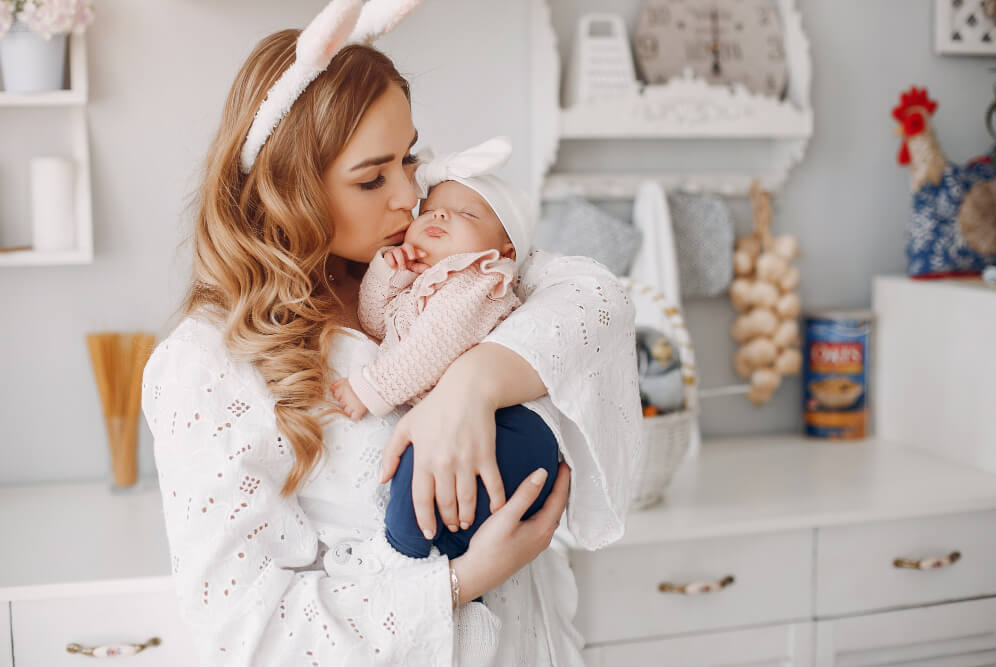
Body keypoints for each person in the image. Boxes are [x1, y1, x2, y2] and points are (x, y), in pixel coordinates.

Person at [141, 1, 641, 665]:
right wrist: (461, 580)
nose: (410, 193)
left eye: (408, 158)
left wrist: (470, 383)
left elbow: (600, 298)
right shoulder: (206, 366)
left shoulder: (426, 262)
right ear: (291, 188)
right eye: (372, 177)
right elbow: (247, 636)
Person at [331, 139, 560, 631]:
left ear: (504, 251)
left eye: (466, 215)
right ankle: (437, 575)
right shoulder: (427, 281)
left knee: (419, 474)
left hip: (513, 431)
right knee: (424, 467)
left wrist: (370, 389)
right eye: (431, 209)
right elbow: (378, 326)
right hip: (468, 422)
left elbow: (432, 348)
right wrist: (387, 274)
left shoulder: (479, 281)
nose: (438, 217)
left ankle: (413, 562)